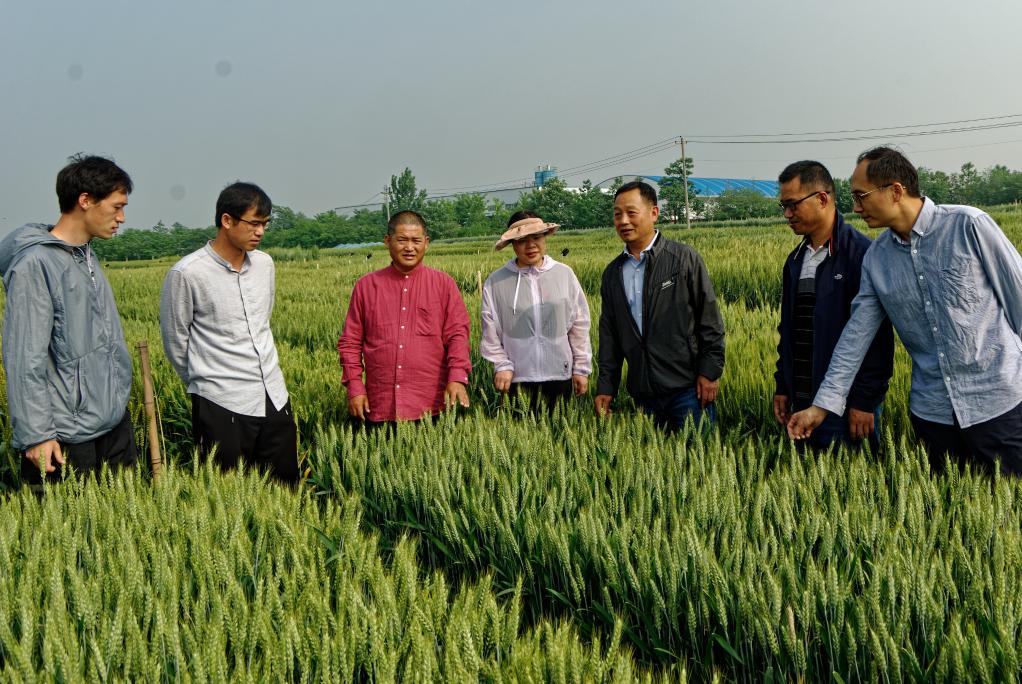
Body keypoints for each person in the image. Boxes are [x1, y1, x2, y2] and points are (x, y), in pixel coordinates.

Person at [788, 147, 1022, 475]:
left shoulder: (968, 226)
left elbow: (1018, 299)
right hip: (933, 415)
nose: (855, 208)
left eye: (861, 196)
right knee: (948, 505)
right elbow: (855, 338)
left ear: (896, 191)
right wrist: (822, 406)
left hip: (999, 404)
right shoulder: (876, 259)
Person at [0, 154, 136, 485]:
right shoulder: (35, 264)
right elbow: (25, 357)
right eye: (117, 207)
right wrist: (37, 434)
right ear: (85, 200)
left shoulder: (86, 254)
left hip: (111, 423)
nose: (121, 218)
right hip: (65, 437)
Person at [160, 182, 298, 483]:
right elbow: (175, 341)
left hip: (273, 396)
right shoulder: (187, 273)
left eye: (265, 224)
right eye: (254, 223)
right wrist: (208, 382)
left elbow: (262, 322)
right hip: (221, 403)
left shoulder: (265, 264)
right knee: (225, 492)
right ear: (226, 220)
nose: (260, 232)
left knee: (285, 490)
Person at [773, 161, 894, 453]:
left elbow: (878, 338)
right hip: (802, 403)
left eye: (793, 205)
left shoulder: (861, 254)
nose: (787, 214)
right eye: (783, 206)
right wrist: (783, 386)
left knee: (854, 478)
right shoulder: (795, 260)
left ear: (822, 199)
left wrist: (864, 401)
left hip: (847, 407)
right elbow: (789, 330)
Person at [595, 181, 725, 430]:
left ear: (654, 213)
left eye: (631, 213)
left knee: (698, 453)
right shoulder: (612, 273)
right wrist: (606, 387)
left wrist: (710, 372)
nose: (623, 221)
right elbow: (610, 335)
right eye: (617, 214)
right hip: (643, 396)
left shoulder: (683, 259)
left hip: (688, 390)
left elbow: (709, 320)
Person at [338, 210, 471, 423]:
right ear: (387, 241)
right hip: (379, 404)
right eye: (402, 240)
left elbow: (457, 335)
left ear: (426, 242)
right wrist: (354, 386)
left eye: (416, 241)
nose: (409, 247)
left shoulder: (444, 285)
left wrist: (457, 377)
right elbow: (350, 342)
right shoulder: (366, 286)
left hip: (432, 406)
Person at [480, 211, 591, 408]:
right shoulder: (496, 282)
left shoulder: (564, 274)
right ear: (512, 243)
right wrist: (502, 364)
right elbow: (490, 331)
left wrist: (581, 368)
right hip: (515, 378)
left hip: (560, 375)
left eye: (537, 237)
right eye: (522, 240)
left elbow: (579, 324)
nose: (531, 245)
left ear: (545, 237)